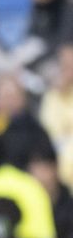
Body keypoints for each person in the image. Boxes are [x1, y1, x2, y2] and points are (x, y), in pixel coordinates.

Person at [26, 149, 73, 238]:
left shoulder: (69, 206)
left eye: (44, 168)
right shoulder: (26, 204)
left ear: (55, 169)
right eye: (34, 169)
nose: (40, 176)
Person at [43, 44, 73, 182]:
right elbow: (51, 134)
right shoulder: (52, 96)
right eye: (65, 65)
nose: (69, 70)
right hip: (60, 170)